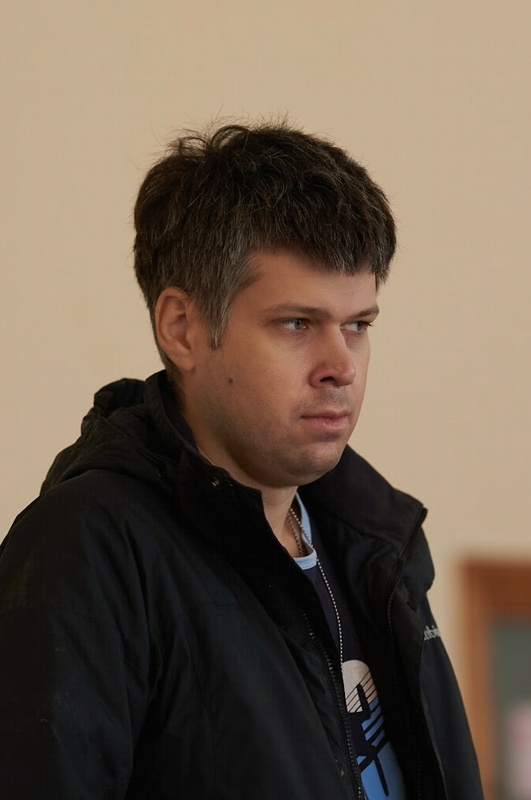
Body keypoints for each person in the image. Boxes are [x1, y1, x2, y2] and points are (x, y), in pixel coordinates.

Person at [0, 121, 483, 799]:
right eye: (296, 324)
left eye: (357, 325)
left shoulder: (378, 542)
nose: (340, 365)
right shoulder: (89, 548)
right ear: (182, 328)